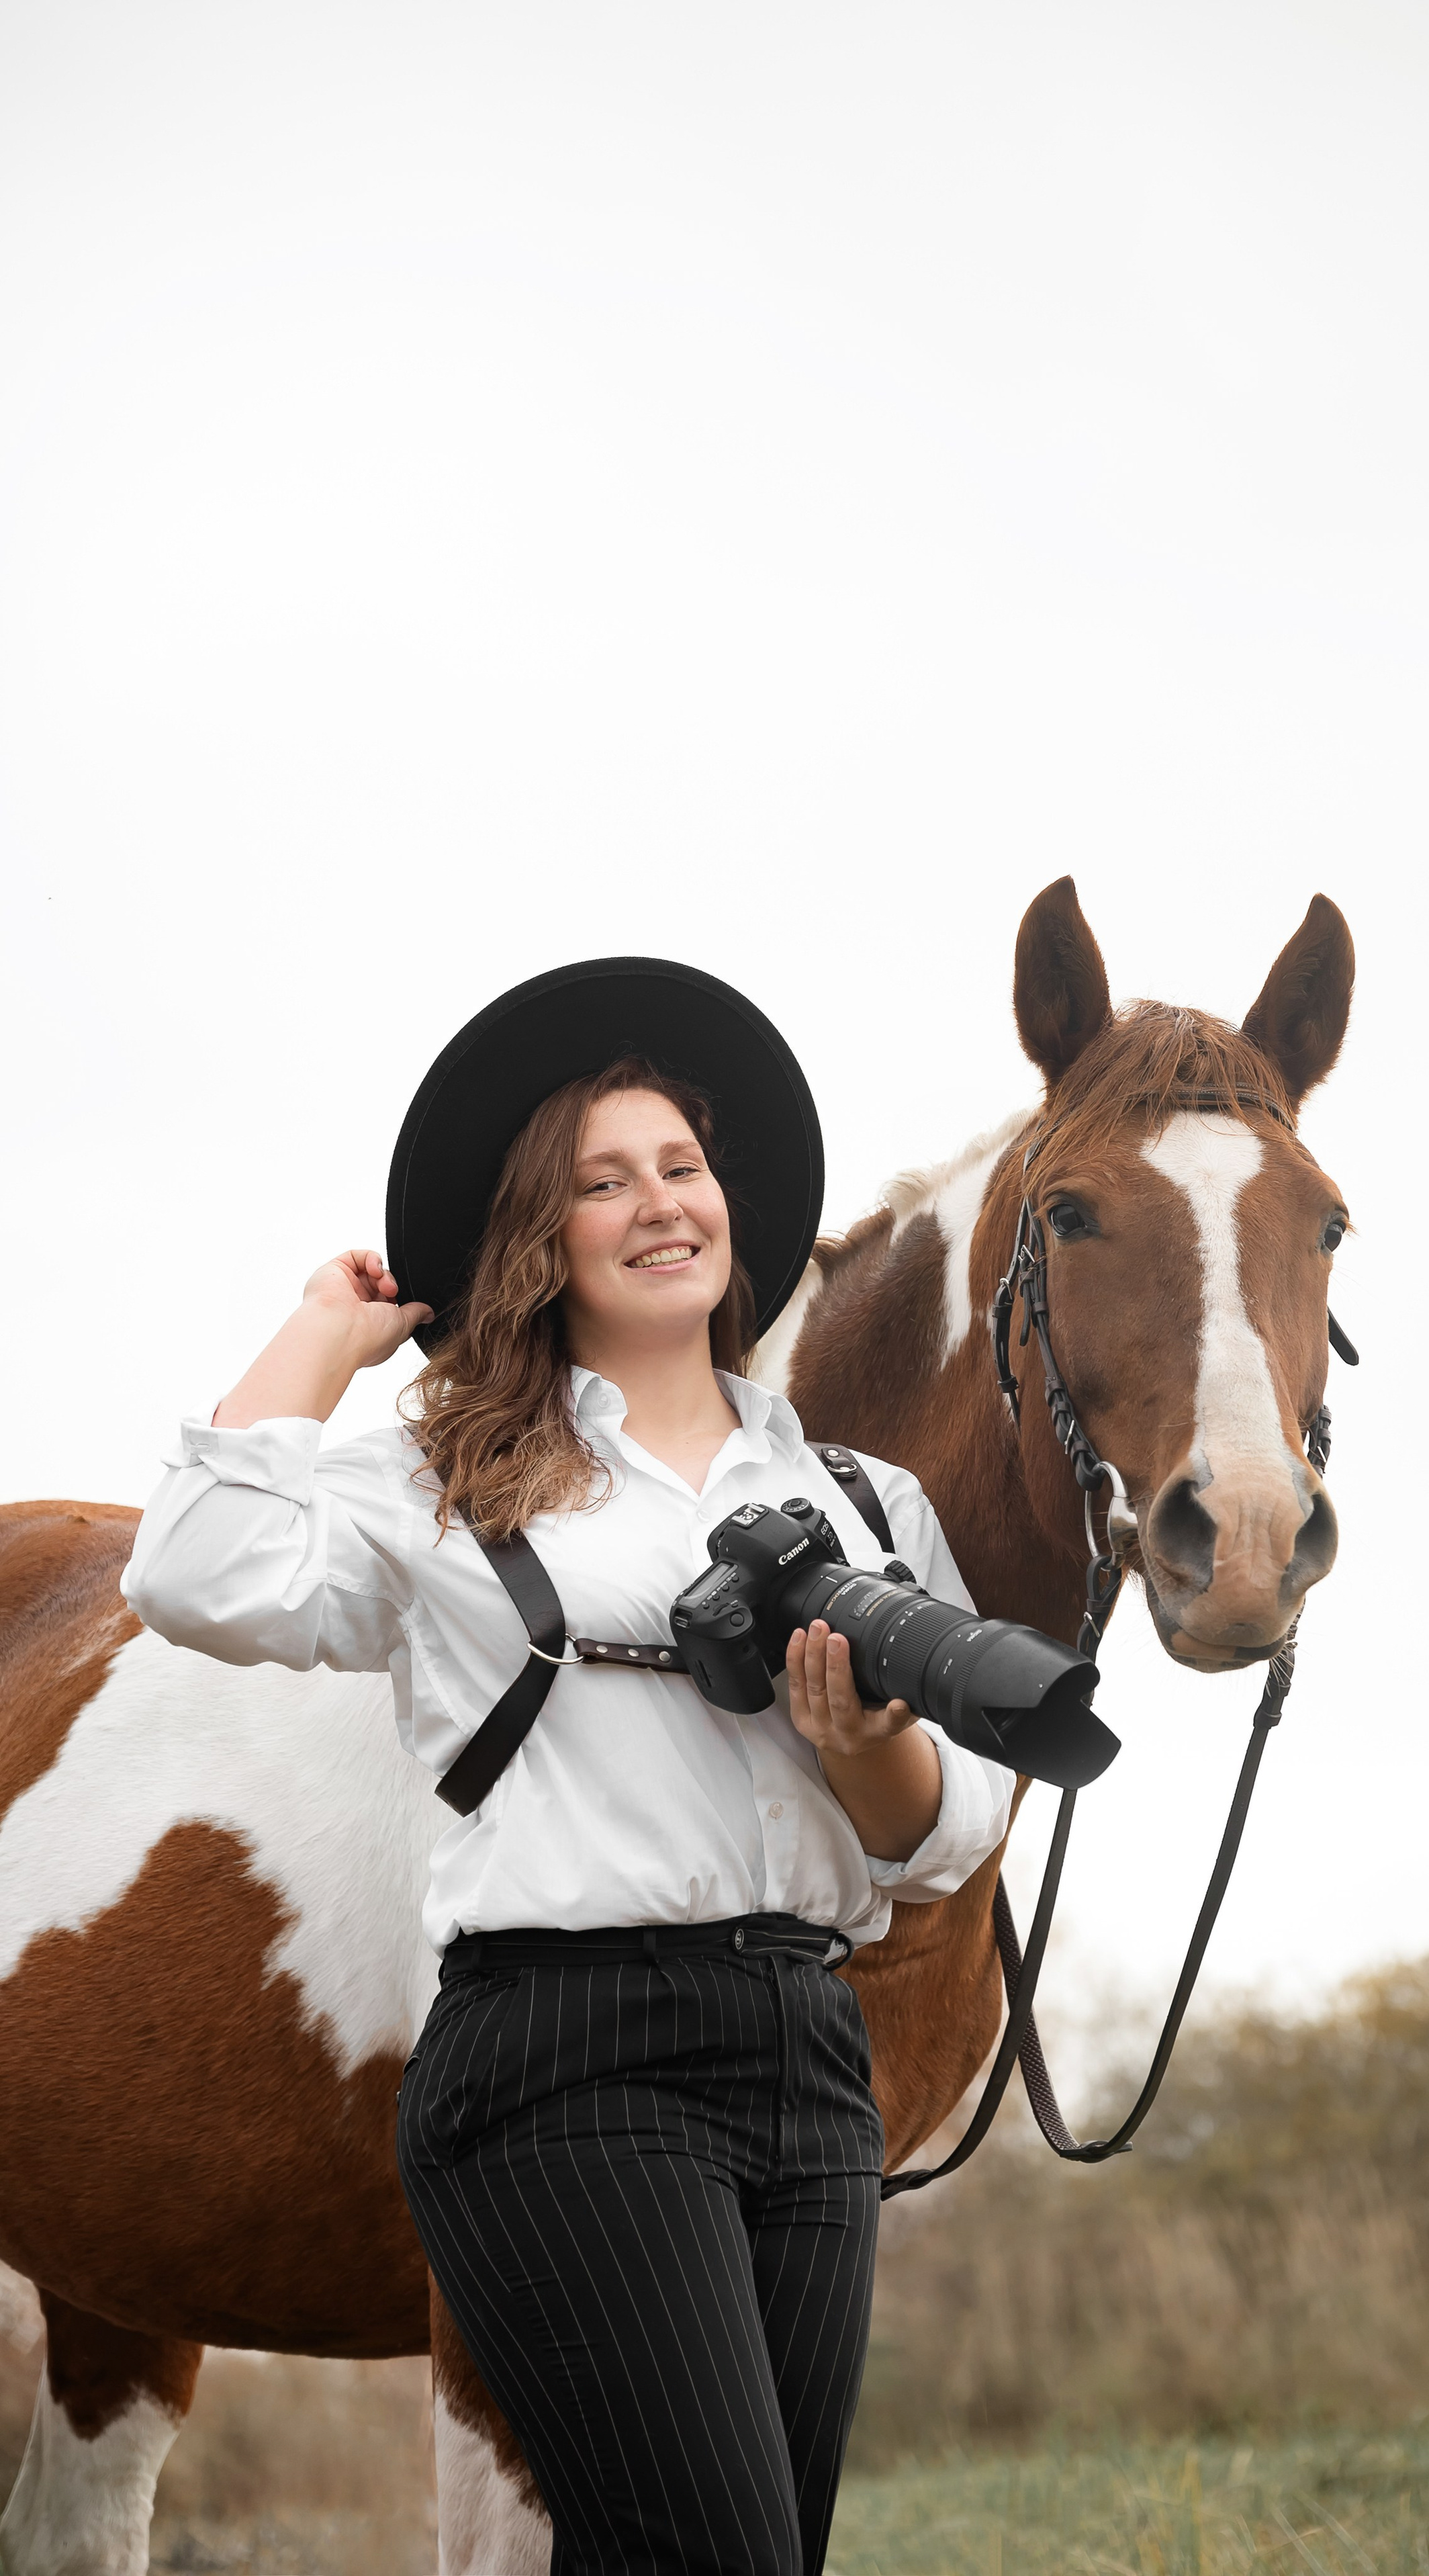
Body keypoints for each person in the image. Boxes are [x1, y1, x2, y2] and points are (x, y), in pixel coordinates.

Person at [123, 957, 1013, 2576]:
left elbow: (945, 1834)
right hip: (563, 2058)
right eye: (604, 1181)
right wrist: (324, 1334)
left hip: (808, 2053)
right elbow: (192, 1566)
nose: (660, 1201)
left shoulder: (863, 1500)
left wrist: (869, 1744)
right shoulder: (444, 1477)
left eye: (682, 1164)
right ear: (543, 1235)